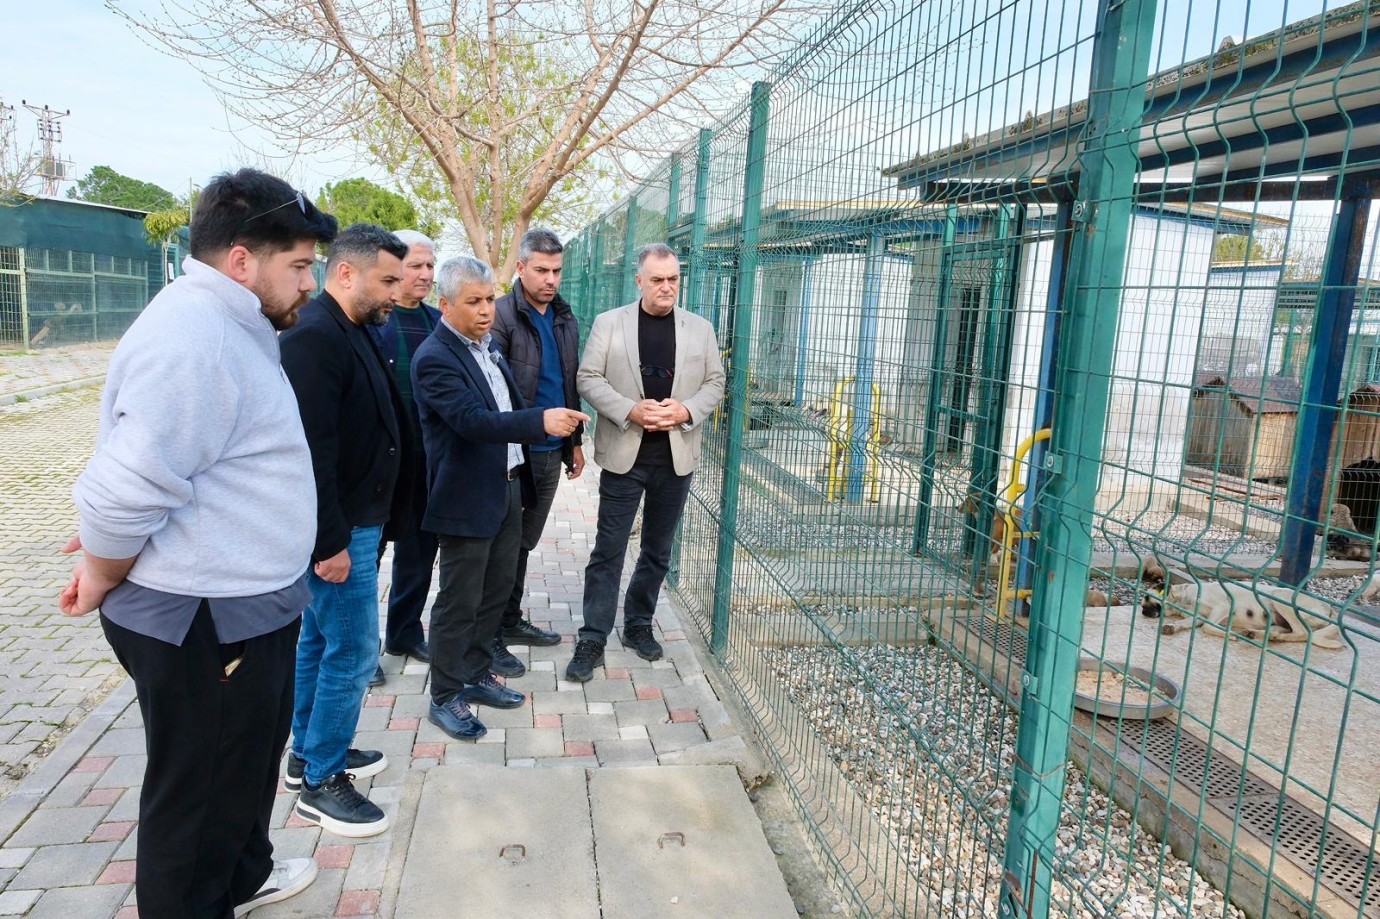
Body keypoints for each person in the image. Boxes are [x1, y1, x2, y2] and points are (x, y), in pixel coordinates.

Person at [61, 167, 336, 918]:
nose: (311, 284)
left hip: (244, 610)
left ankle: (243, 879)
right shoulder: (201, 336)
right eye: (301, 266)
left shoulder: (233, 323)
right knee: (198, 798)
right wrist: (99, 564)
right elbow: (124, 491)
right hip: (203, 620)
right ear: (242, 260)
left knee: (240, 774)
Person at [412, 256, 588, 740]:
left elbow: (505, 405)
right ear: (444, 304)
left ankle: (473, 673)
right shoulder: (434, 357)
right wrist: (541, 421)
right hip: (466, 498)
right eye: (474, 301)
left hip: (507, 486)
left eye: (490, 298)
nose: (487, 310)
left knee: (495, 592)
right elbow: (471, 421)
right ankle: (445, 695)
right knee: (458, 602)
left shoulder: (486, 348)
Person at [279, 224, 409, 838]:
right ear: (346, 273)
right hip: (338, 529)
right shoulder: (316, 337)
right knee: (354, 650)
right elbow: (311, 453)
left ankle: (307, 752)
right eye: (387, 280)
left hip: (357, 521)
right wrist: (327, 542)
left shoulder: (353, 328)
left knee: (319, 641)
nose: (397, 291)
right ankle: (323, 783)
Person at [566, 243, 725, 682]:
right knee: (609, 549)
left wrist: (686, 410)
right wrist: (629, 410)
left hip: (676, 456)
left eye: (673, 279)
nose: (666, 287)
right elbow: (587, 377)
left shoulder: (700, 329)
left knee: (657, 550)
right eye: (657, 280)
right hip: (625, 454)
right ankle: (593, 636)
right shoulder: (610, 324)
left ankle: (638, 623)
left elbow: (715, 382)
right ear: (639, 281)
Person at [488, 228, 584, 674]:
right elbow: (496, 393)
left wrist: (574, 444)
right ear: (521, 268)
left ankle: (508, 620)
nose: (550, 279)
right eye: (541, 270)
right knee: (502, 544)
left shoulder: (565, 318)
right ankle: (487, 634)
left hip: (550, 450)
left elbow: (568, 383)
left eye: (556, 271)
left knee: (523, 543)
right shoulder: (502, 315)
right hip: (513, 451)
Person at [369, 229, 441, 687]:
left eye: (430, 266)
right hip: (376, 466)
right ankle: (360, 649)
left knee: (418, 553)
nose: (425, 274)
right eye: (415, 265)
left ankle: (404, 633)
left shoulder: (439, 322)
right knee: (364, 558)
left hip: (425, 461)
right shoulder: (373, 323)